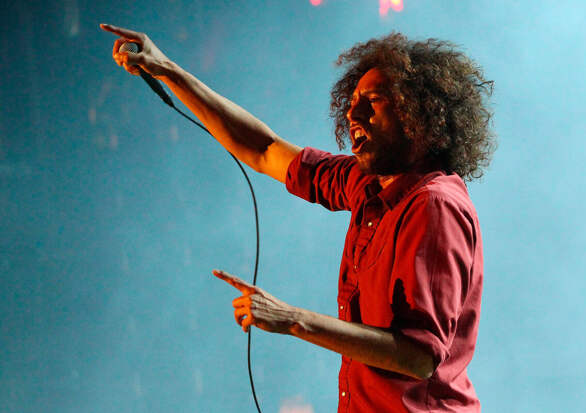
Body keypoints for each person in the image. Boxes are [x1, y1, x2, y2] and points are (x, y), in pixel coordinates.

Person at [101, 23, 494, 412]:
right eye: (351, 101)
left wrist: (293, 319)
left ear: (420, 114)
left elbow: (419, 357)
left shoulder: (433, 204)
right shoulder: (367, 185)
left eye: (372, 100)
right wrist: (168, 70)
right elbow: (263, 148)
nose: (352, 112)